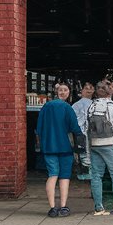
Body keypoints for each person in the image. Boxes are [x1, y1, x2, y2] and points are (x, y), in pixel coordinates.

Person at [82, 80, 113, 215]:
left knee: (96, 175)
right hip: (109, 143)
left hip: (94, 144)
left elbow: (86, 127)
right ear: (109, 91)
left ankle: (99, 207)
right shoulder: (112, 105)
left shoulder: (92, 105)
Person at [36, 82, 82, 217]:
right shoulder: (67, 107)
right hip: (65, 146)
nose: (63, 92)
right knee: (64, 176)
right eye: (62, 90)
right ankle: (63, 206)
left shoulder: (46, 106)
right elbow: (75, 128)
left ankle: (52, 207)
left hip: (49, 147)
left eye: (65, 90)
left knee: (52, 175)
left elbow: (39, 128)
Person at [71, 82, 95, 181]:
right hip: (83, 132)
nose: (88, 90)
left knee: (84, 153)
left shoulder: (94, 103)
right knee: (85, 153)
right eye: (86, 88)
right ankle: (86, 172)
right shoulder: (77, 105)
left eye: (91, 87)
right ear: (81, 91)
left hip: (85, 132)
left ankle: (86, 172)